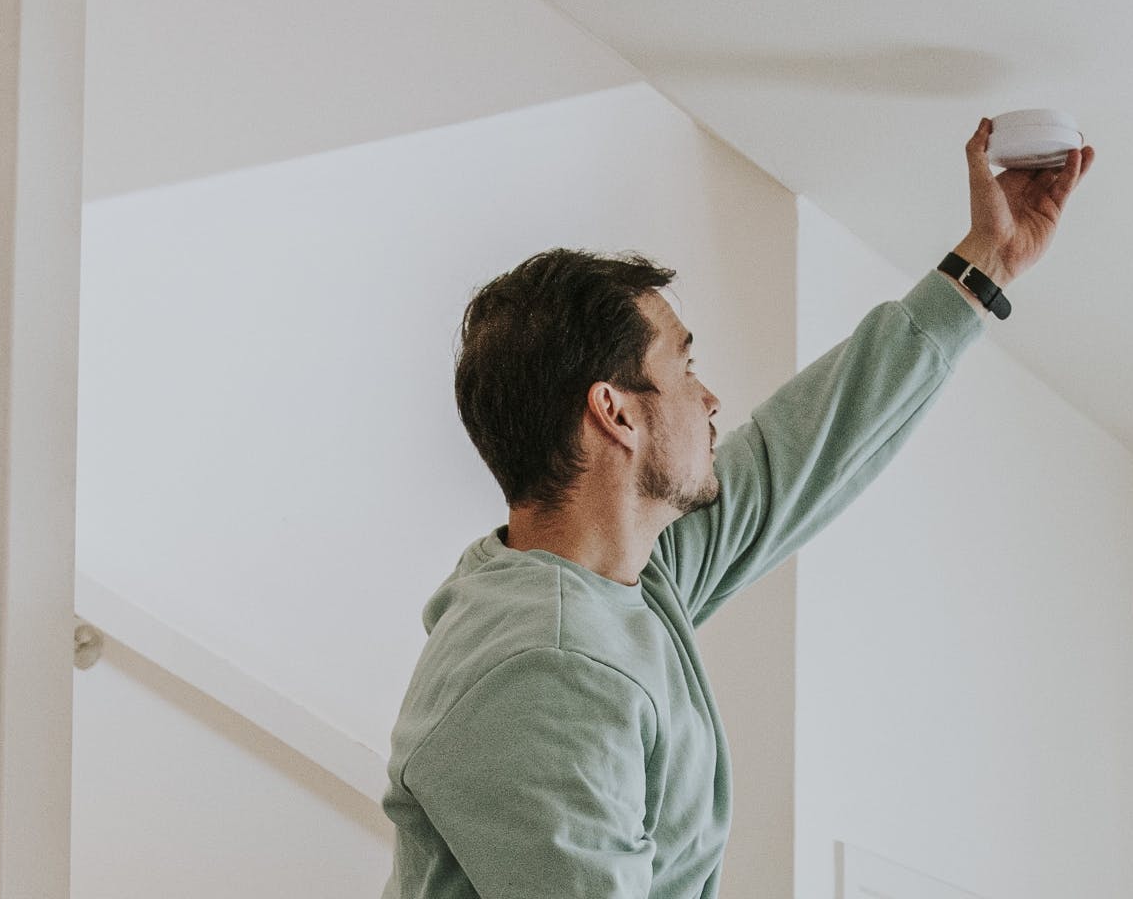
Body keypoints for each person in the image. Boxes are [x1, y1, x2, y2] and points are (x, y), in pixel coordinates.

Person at [379, 118, 1096, 899]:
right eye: (685, 367)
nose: (710, 398)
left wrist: (983, 264)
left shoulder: (628, 580)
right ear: (615, 412)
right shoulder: (547, 671)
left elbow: (809, 445)